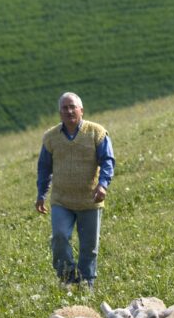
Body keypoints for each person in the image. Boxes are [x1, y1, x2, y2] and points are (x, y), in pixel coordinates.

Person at [36, 92, 115, 289]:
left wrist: (103, 185)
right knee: (60, 237)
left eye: (73, 107)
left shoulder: (96, 133)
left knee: (89, 246)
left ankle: (87, 284)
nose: (69, 111)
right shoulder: (50, 137)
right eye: (65, 108)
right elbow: (44, 168)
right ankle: (68, 277)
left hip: (90, 200)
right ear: (60, 113)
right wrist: (41, 194)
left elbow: (107, 161)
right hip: (62, 201)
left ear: (81, 110)